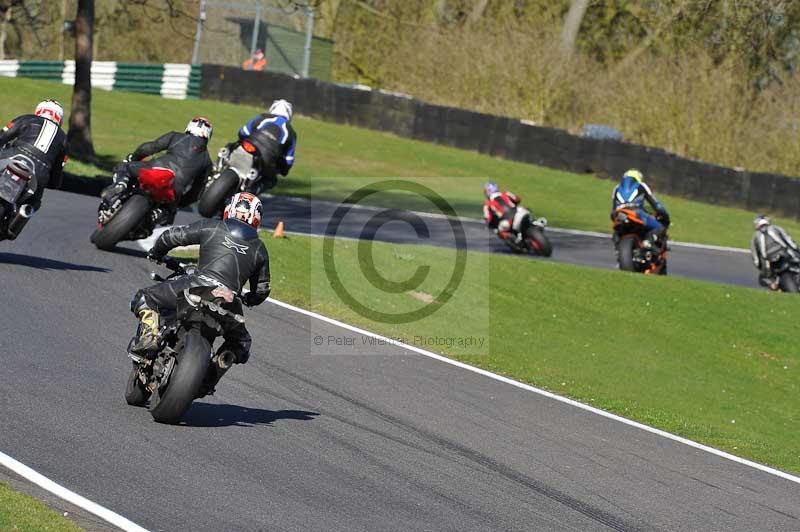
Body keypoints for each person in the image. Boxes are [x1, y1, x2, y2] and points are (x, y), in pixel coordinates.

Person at [130, 192, 271, 393]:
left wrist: (156, 252)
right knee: (241, 342)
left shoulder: (212, 226)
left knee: (145, 297)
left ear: (229, 208)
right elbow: (262, 290)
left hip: (196, 284)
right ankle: (212, 374)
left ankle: (150, 338)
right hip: (230, 301)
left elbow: (173, 236)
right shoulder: (260, 249)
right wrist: (249, 299)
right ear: (256, 218)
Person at [101, 117, 213, 221]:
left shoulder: (176, 136)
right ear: (208, 135)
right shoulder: (207, 160)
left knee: (124, 166)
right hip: (175, 188)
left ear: (189, 127)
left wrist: (134, 157)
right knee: (170, 212)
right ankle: (159, 214)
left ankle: (121, 184)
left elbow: (150, 147)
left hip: (154, 169)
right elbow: (197, 191)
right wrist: (180, 204)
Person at [0, 100, 67, 216]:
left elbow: (2, 136)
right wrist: (52, 184)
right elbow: (56, 177)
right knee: (34, 203)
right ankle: (16, 223)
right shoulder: (65, 140)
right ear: (59, 119)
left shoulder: (27, 118)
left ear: (39, 111)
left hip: (13, 155)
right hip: (40, 173)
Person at [234, 99, 297, 191]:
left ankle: (219, 166)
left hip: (248, 146)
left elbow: (243, 132)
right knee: (272, 180)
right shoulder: (291, 132)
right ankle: (251, 191)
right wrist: (284, 170)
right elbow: (288, 160)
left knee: (231, 146)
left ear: (272, 109)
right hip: (267, 159)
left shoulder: (262, 117)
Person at [610, 169, 670, 247]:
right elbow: (656, 204)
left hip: (619, 214)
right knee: (660, 227)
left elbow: (613, 211)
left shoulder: (616, 188)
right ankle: (648, 241)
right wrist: (665, 215)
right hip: (636, 213)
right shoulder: (641, 185)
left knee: (616, 231)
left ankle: (619, 246)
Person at [750, 214, 800, 289]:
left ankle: (774, 285)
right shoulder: (776, 228)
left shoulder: (755, 237)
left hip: (770, 264)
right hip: (785, 257)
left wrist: (761, 268)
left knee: (764, 279)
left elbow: (756, 259)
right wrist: (797, 249)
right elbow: (790, 242)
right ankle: (775, 284)